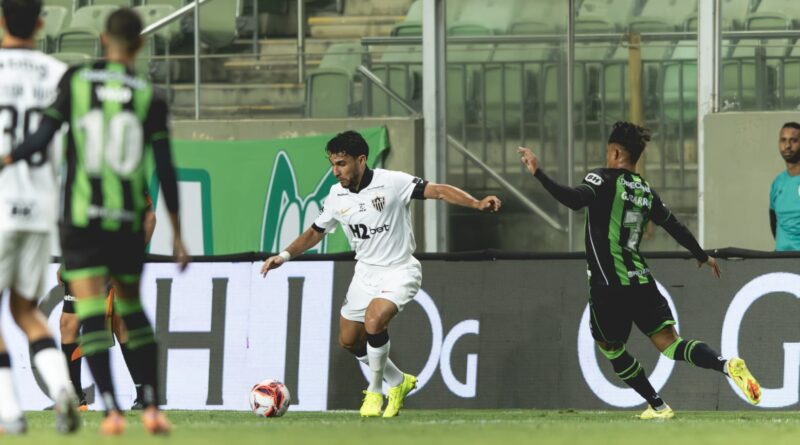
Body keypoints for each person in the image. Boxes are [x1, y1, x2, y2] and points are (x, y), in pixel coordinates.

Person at [3, 8, 188, 436]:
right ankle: (152, 407)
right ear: (141, 44)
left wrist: (7, 158)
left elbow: (42, 137)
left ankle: (111, 412)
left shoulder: (77, 81)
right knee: (131, 310)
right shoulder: (150, 95)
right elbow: (166, 168)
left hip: (82, 221)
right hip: (125, 219)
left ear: (103, 40)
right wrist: (178, 234)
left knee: (90, 317)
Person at [518, 121, 761, 419]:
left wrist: (538, 173)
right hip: (641, 280)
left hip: (609, 283)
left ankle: (658, 405)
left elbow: (574, 199)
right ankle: (726, 364)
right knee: (671, 345)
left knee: (609, 346)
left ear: (616, 153)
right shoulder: (645, 190)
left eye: (608, 152)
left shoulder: (601, 178)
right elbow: (674, 225)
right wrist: (701, 255)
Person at [261, 130, 501, 417]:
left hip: (400, 270)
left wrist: (476, 203)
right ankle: (398, 381)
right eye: (333, 164)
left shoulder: (393, 182)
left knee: (374, 320)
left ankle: (375, 392)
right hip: (365, 273)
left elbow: (438, 190)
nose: (336, 171)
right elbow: (315, 232)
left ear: (361, 160)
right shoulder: (336, 196)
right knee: (349, 340)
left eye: (341, 164)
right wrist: (284, 256)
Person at [0, 0, 79, 435]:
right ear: (42, 24)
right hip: (40, 208)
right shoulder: (59, 73)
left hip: (0, 203)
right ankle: (63, 388)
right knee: (25, 310)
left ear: (1, 20)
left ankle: (9, 410)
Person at [58, 192, 157, 411]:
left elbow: (149, 218)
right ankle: (75, 397)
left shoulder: (123, 175)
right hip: (82, 260)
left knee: (120, 322)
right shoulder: (80, 177)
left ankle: (143, 393)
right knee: (68, 323)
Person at [770, 122, 800, 251]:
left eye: (793, 140)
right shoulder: (777, 182)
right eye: (783, 140)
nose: (787, 146)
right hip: (781, 257)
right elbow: (774, 223)